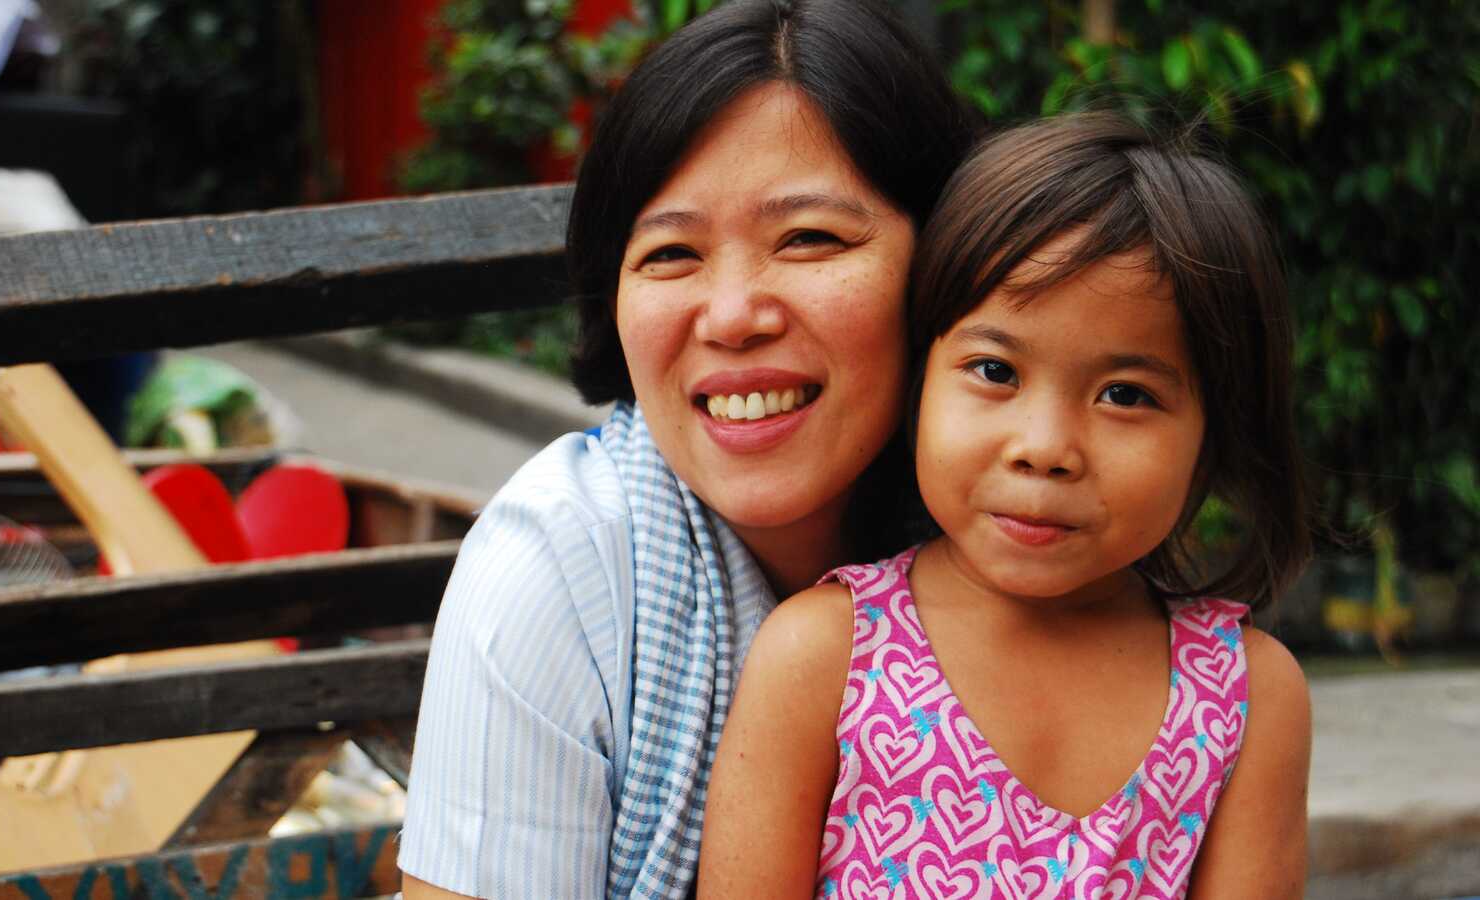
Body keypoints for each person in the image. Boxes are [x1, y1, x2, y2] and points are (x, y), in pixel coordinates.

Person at [397, 0, 978, 896]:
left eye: (810, 238)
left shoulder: (1036, 540)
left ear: (949, 261)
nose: (735, 313)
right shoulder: (561, 575)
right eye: (670, 254)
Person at [698, 112, 1315, 899]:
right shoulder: (826, 657)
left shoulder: (1242, 698)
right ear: (920, 377)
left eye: (1125, 394)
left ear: (1216, 431)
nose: (1045, 445)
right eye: (994, 371)